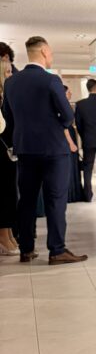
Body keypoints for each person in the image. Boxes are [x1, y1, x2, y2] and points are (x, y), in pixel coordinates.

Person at [1, 36, 87, 265]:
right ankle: (57, 250)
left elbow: (8, 116)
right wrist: (57, 124)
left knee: (27, 200)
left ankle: (26, 249)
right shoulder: (51, 80)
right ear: (44, 52)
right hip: (53, 149)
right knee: (55, 199)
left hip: (25, 149)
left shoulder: (11, 83)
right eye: (51, 53)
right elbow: (67, 116)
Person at [75, 78, 96, 201]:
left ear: (88, 89)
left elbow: (78, 124)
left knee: (87, 168)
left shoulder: (80, 104)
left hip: (88, 140)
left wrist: (84, 136)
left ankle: (88, 196)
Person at [0, 57, 18, 254]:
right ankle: (4, 236)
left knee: (10, 191)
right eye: (7, 72)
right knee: (4, 192)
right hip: (2, 148)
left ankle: (9, 234)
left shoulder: (6, 94)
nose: (11, 75)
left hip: (8, 148)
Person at [63, 85, 84, 203]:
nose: (70, 93)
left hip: (71, 134)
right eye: (68, 92)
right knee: (69, 165)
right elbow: (64, 127)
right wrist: (71, 142)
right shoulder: (62, 105)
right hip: (67, 136)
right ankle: (70, 194)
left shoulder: (66, 105)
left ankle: (74, 193)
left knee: (73, 163)